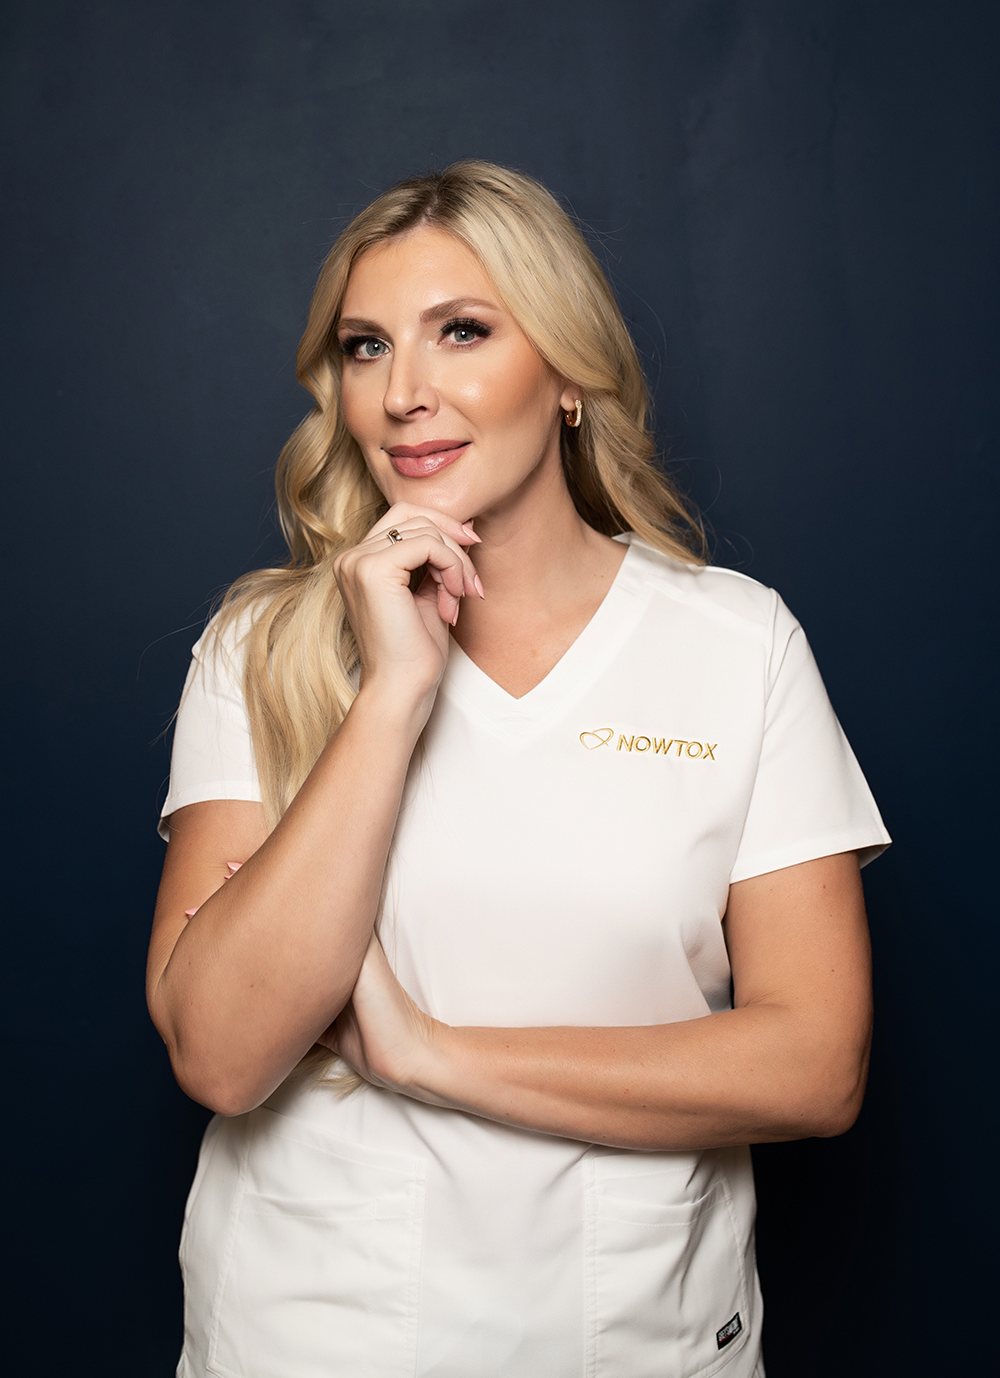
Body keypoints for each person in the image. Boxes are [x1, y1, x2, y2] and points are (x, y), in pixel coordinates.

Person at [147, 160, 889, 1378]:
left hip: (637, 1338)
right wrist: (392, 695)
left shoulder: (736, 643)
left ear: (567, 375)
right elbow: (222, 1055)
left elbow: (814, 1066)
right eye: (367, 346)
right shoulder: (262, 649)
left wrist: (427, 1053)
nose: (404, 393)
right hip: (315, 1336)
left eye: (463, 332)